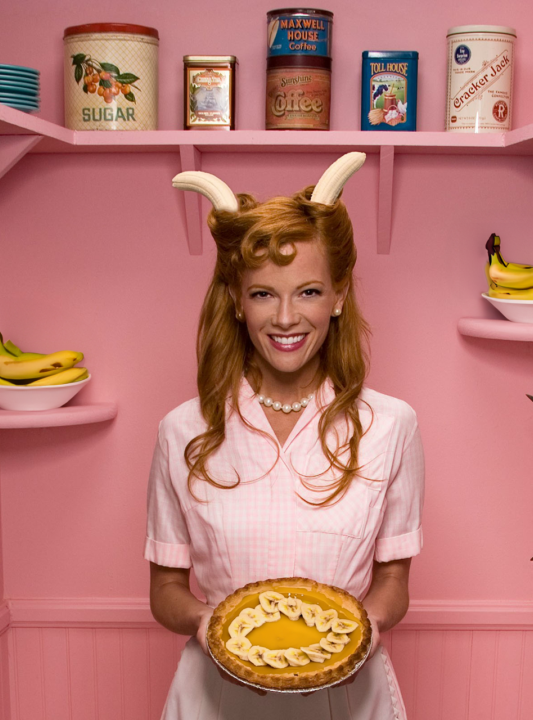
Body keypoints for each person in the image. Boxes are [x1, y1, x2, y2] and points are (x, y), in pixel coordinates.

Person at [146, 153, 425, 719]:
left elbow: (395, 577)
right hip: (216, 698)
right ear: (235, 300)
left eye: (309, 292)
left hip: (349, 699)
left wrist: (364, 630)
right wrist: (206, 624)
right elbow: (165, 589)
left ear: (340, 296)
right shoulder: (183, 431)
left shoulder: (392, 425)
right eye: (263, 294)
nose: (286, 318)